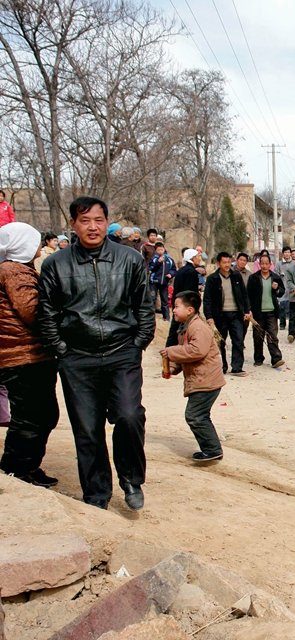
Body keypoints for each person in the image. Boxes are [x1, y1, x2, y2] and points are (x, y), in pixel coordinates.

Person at [37, 196, 155, 510]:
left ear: (107, 222)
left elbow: (144, 304)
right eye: (84, 220)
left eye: (98, 220)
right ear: (73, 225)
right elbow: (46, 314)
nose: (92, 227)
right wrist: (61, 350)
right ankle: (97, 495)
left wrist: (139, 342)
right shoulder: (55, 265)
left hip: (122, 353)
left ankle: (131, 478)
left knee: (130, 417)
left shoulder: (129, 259)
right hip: (77, 358)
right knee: (87, 429)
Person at [0, 222, 59, 488]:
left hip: (26, 356)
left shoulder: (16, 270)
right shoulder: (15, 272)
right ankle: (16, 469)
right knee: (31, 415)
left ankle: (29, 465)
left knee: (43, 413)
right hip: (23, 356)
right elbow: (32, 311)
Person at [161, 291, 226, 462]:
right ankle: (211, 448)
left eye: (176, 306)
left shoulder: (197, 327)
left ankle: (212, 449)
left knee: (195, 415)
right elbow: (186, 354)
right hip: (201, 379)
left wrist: (171, 351)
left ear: (190, 310)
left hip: (206, 380)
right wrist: (172, 368)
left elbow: (197, 351)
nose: (173, 310)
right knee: (200, 415)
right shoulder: (185, 327)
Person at [203, 252, 251, 377]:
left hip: (236, 314)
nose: (227, 265)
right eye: (224, 262)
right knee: (220, 342)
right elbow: (207, 299)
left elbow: (244, 295)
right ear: (218, 263)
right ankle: (222, 366)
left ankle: (237, 367)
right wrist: (209, 317)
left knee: (238, 340)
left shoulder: (236, 276)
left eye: (229, 262)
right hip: (220, 315)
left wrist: (247, 311)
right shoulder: (212, 279)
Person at [247, 253, 285, 369]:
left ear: (270, 264)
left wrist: (277, 288)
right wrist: (249, 310)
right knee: (258, 336)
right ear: (259, 264)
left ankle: (276, 359)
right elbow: (248, 295)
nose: (264, 266)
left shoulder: (275, 277)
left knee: (272, 336)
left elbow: (282, 292)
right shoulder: (253, 278)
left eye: (266, 264)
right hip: (258, 312)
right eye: (262, 264)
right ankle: (258, 358)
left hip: (272, 312)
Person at [166, 248, 202, 347]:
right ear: (192, 258)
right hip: (186, 306)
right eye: (198, 256)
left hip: (179, 304)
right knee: (181, 331)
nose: (200, 258)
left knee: (174, 331)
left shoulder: (182, 270)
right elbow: (190, 292)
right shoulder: (191, 272)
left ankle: (168, 353)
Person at [149, 242, 176, 321]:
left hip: (164, 282)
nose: (160, 251)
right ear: (156, 250)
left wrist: (170, 274)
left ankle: (166, 317)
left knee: (165, 300)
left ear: (164, 249)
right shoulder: (154, 258)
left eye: (162, 249)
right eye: (158, 250)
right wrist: (158, 262)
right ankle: (151, 317)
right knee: (152, 298)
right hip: (154, 282)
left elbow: (174, 269)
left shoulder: (169, 259)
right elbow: (151, 268)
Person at [277, 246, 294, 330]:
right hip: (282, 288)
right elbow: (276, 275)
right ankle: (282, 324)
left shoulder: (294, 263)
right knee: (282, 307)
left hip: (292, 288)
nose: (287, 254)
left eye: (288, 252)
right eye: (285, 252)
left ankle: (291, 324)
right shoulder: (279, 264)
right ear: (283, 254)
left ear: (290, 253)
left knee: (292, 307)